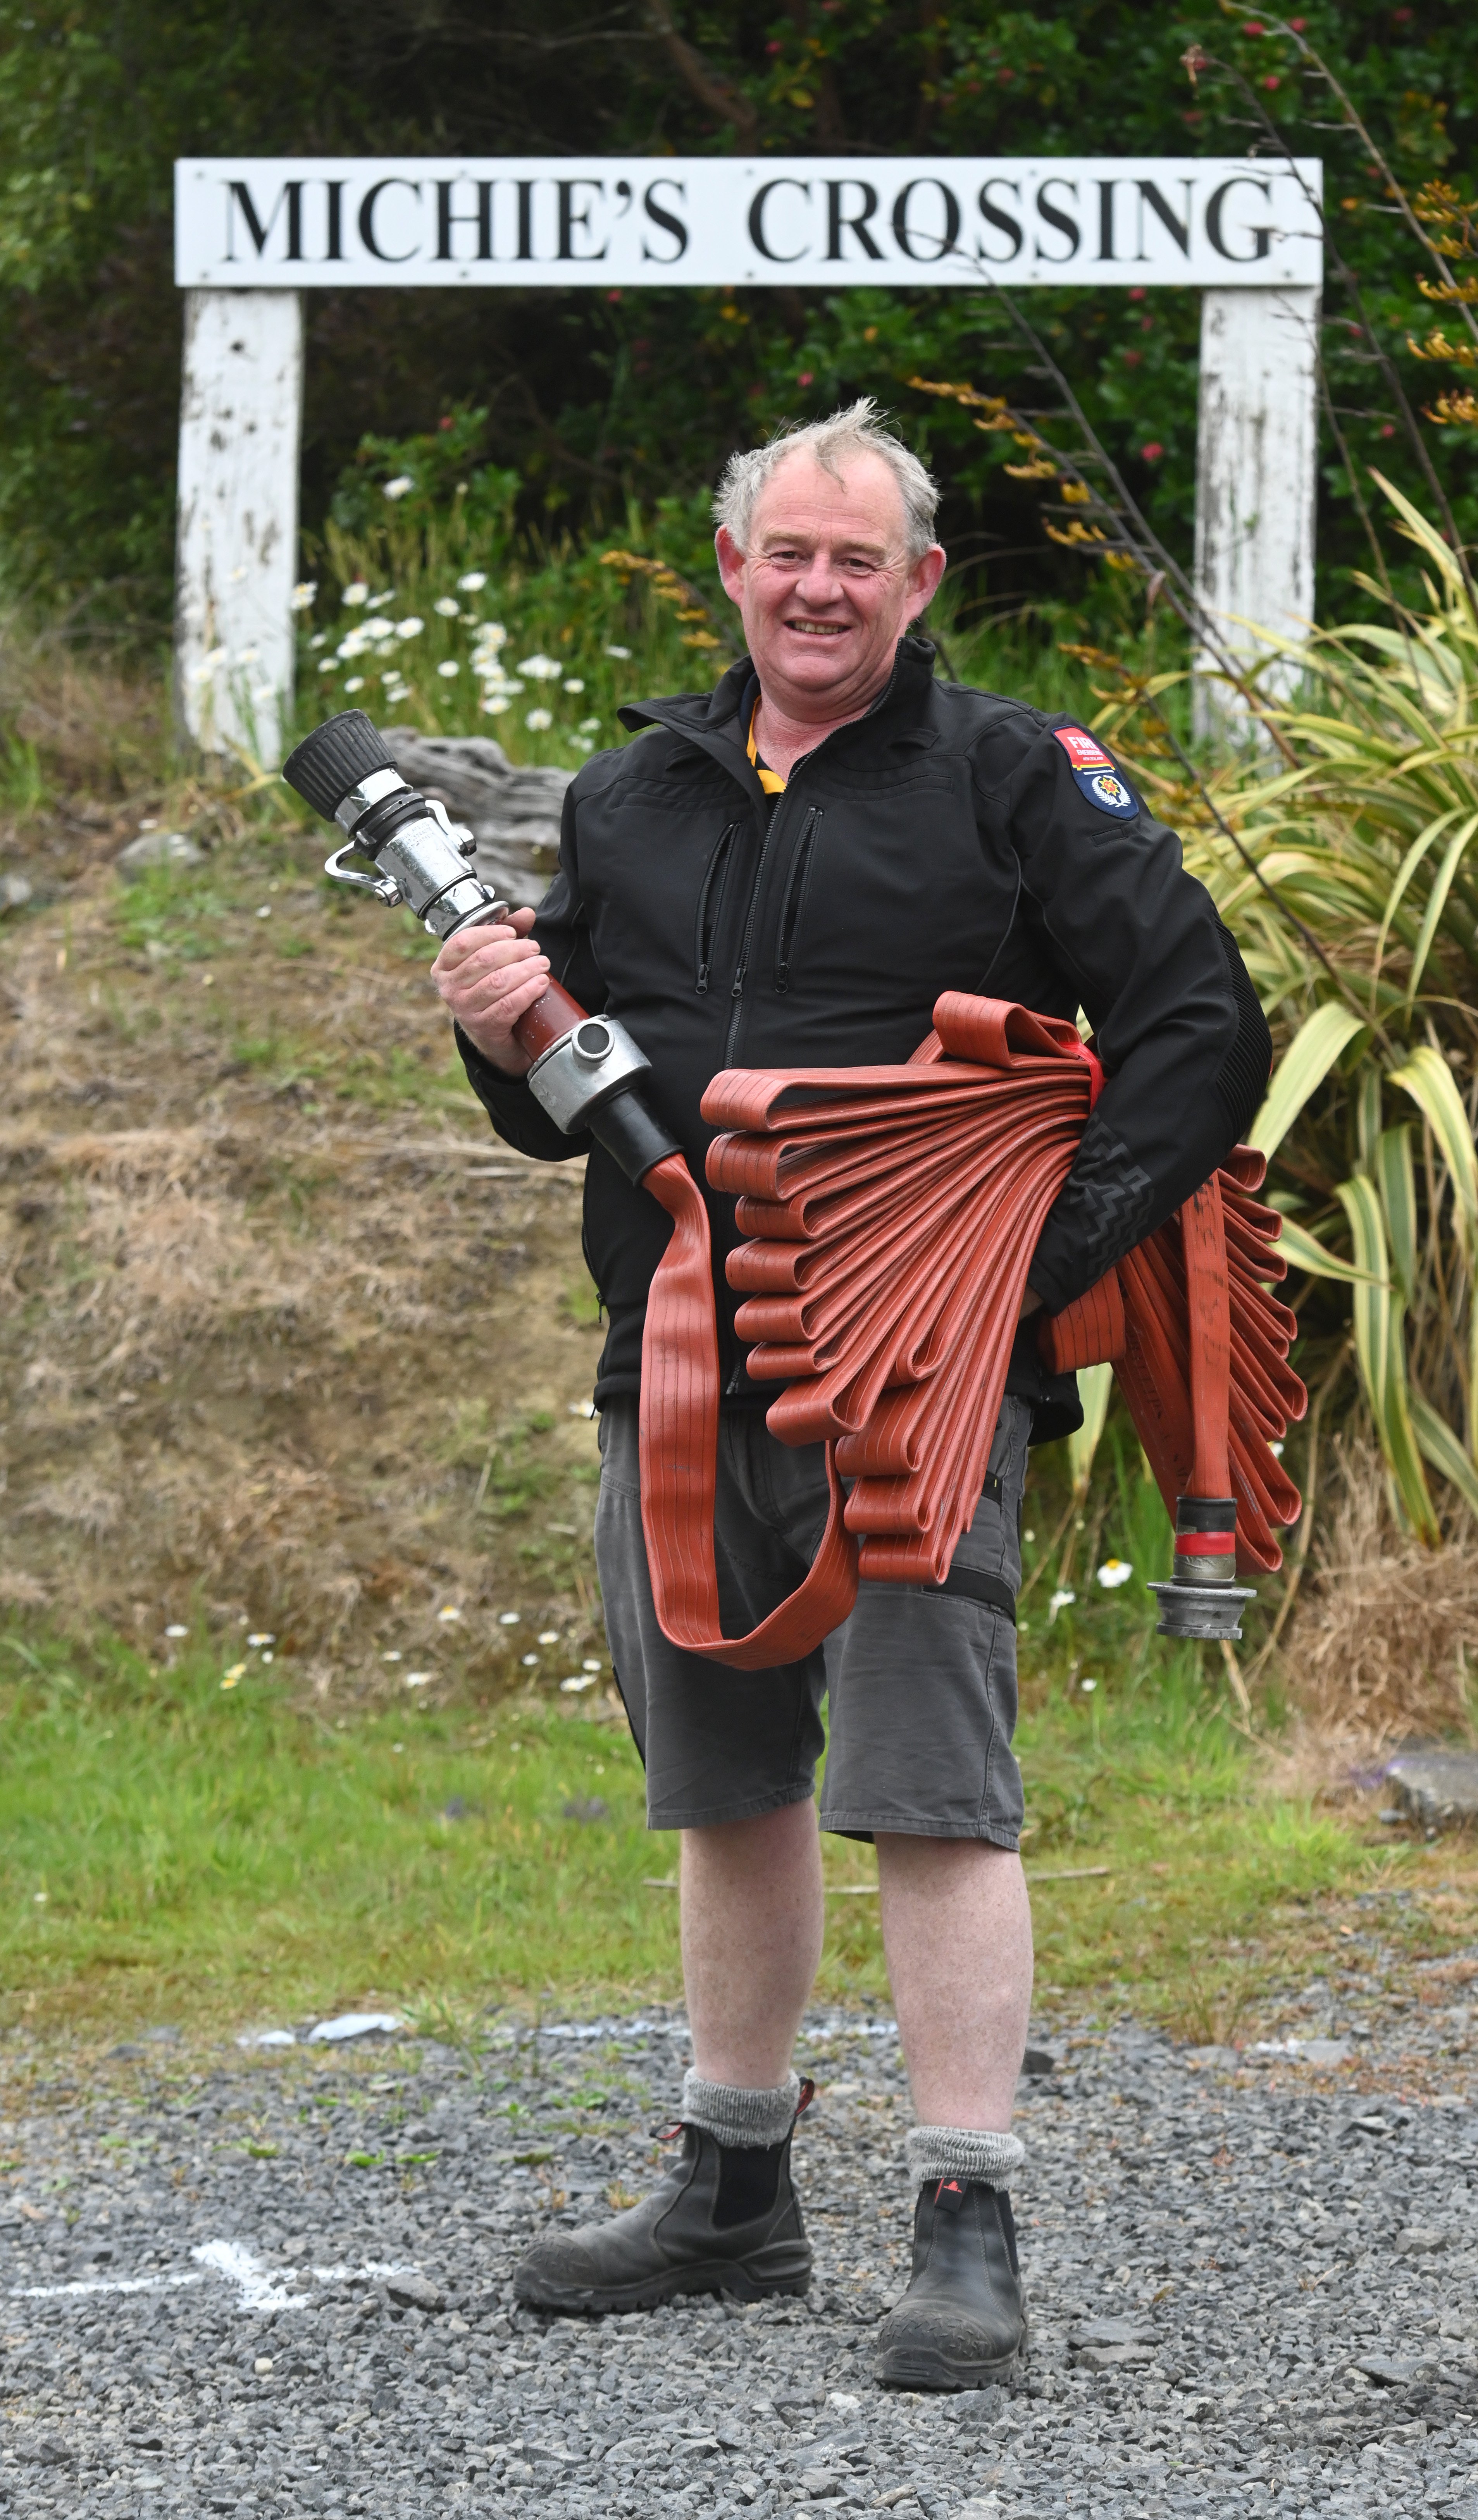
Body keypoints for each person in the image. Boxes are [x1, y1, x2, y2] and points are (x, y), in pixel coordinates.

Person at [432, 400, 1270, 2389]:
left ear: (919, 585)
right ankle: (735, 2189)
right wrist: (495, 1033)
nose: (816, 589)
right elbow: (566, 1117)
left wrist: (1028, 1271)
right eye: (784, 554)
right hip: (676, 1361)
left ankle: (967, 2221)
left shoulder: (1015, 775)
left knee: (931, 1787)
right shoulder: (635, 789)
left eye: (857, 561)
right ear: (730, 569)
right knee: (724, 1774)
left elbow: (1198, 1029)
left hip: (916, 1359)